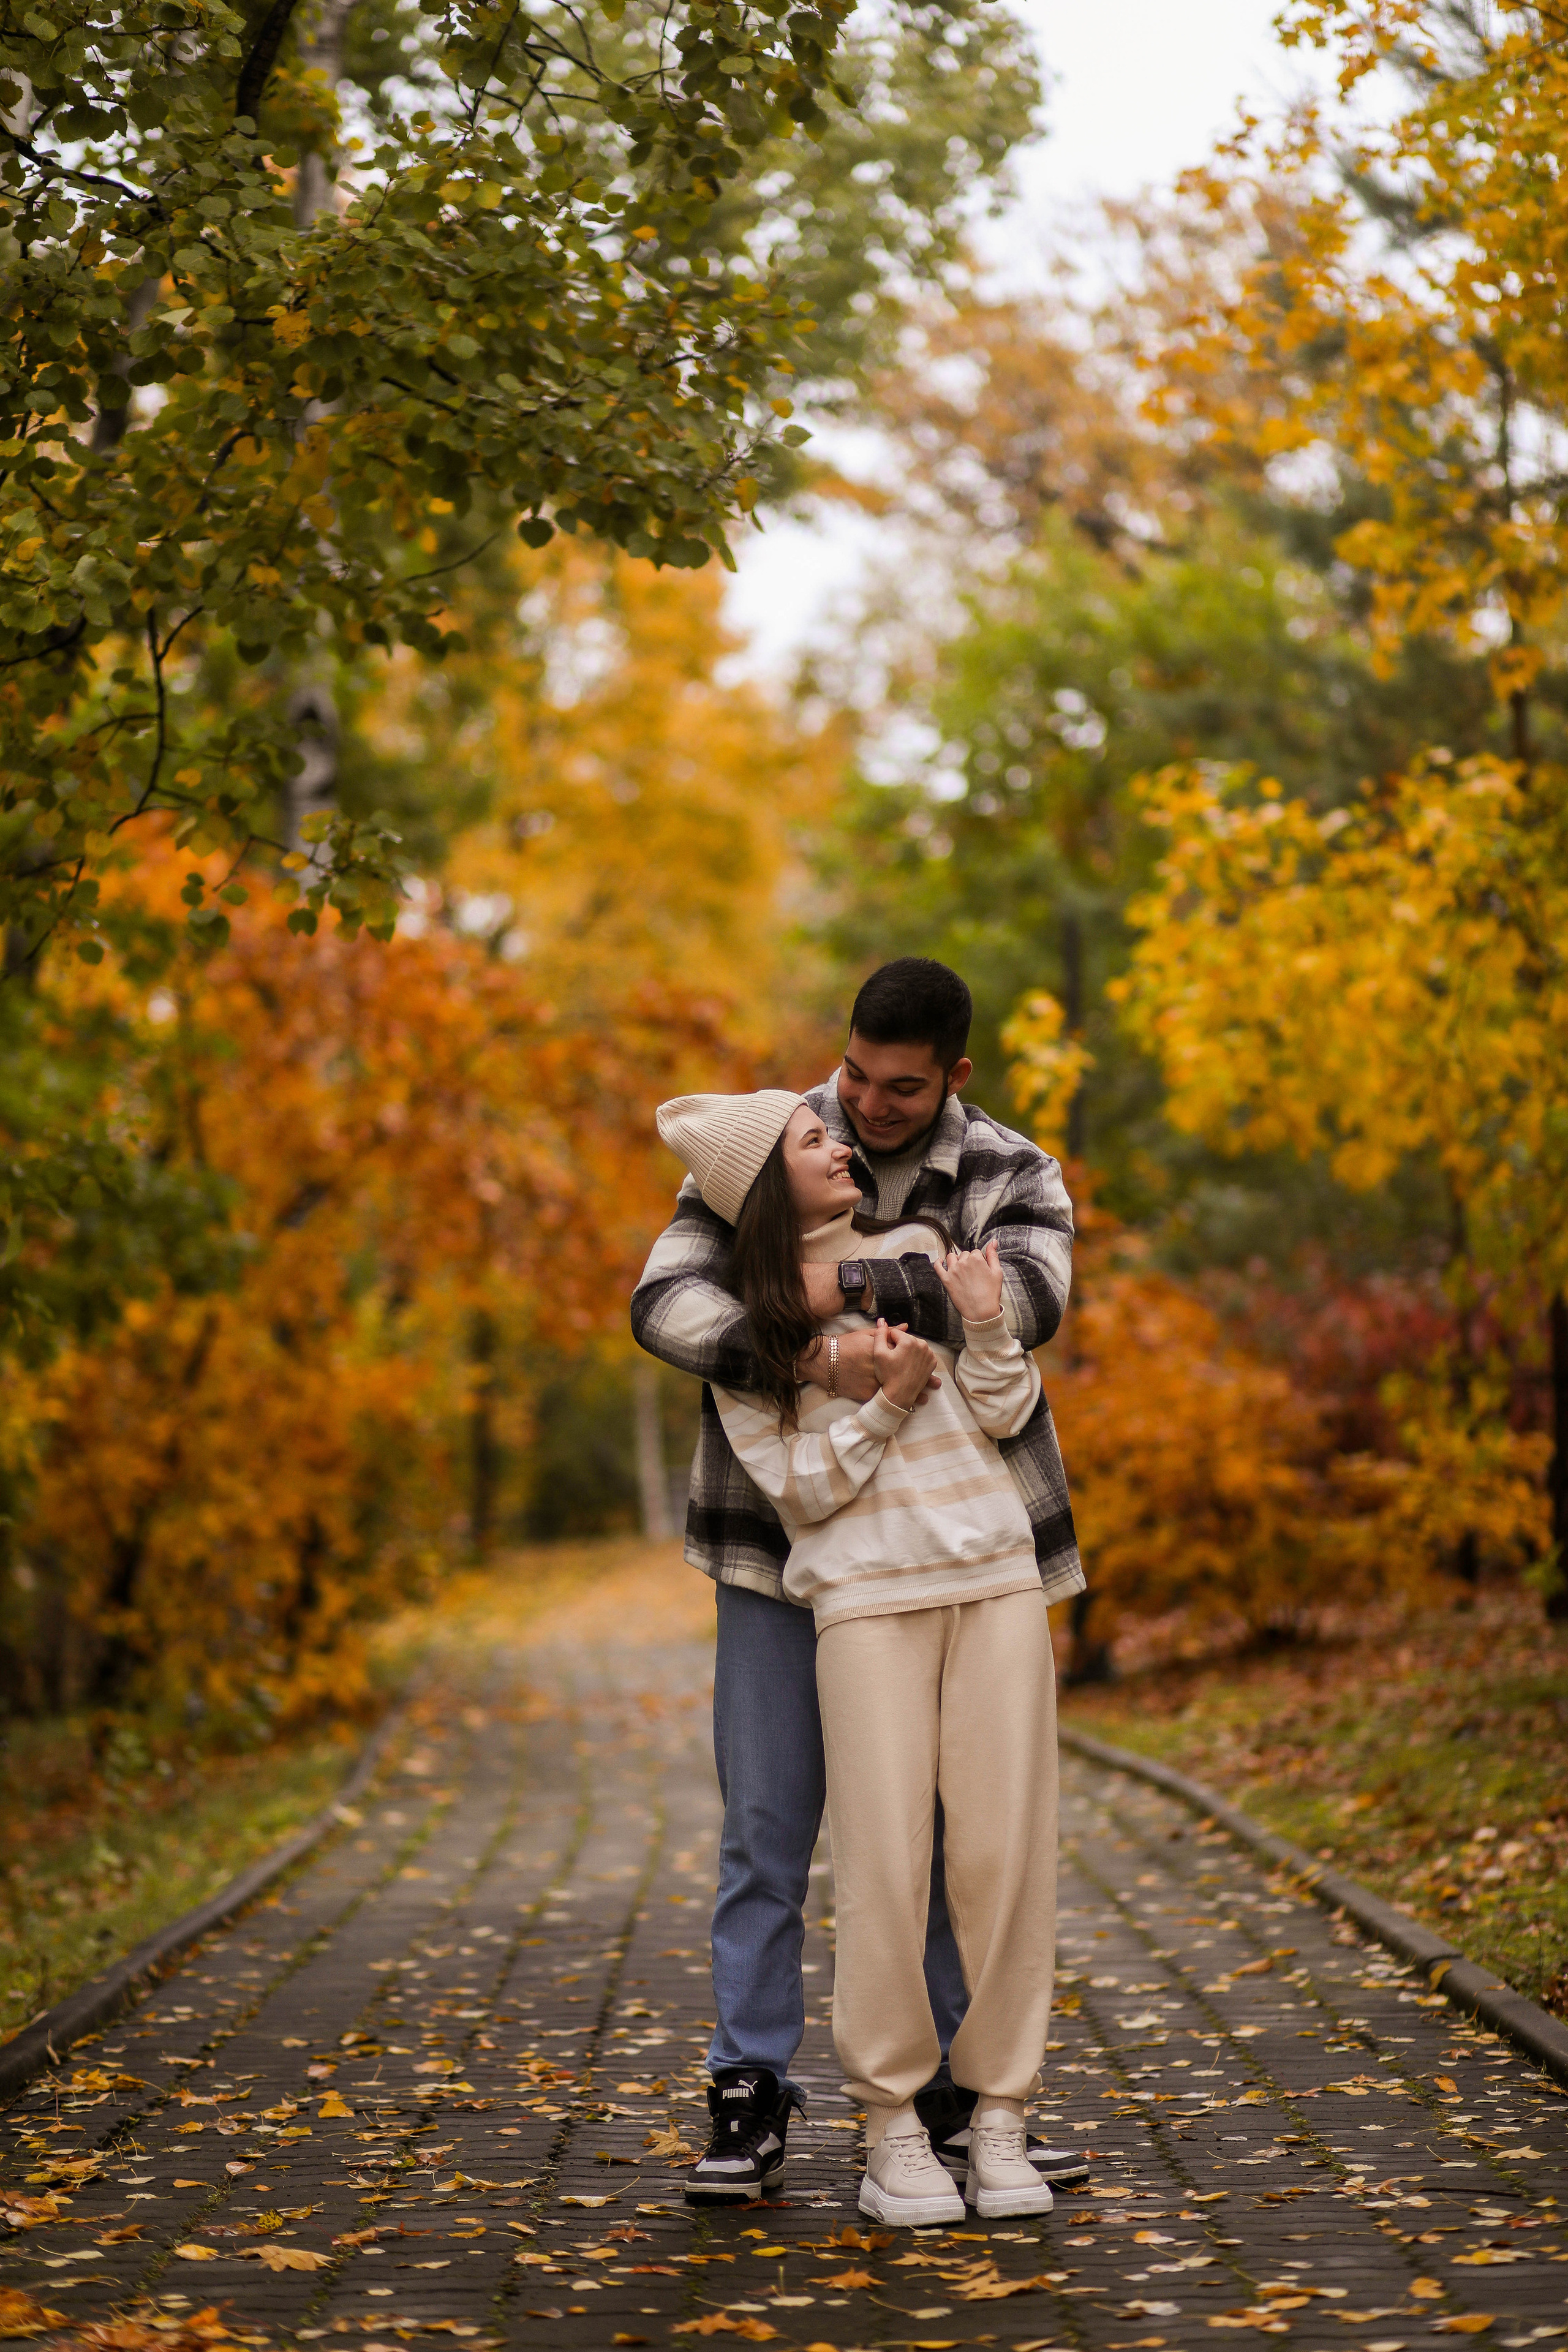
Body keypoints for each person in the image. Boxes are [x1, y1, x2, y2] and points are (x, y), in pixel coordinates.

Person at [630, 958, 1085, 2203]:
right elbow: (664, 1305)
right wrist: (815, 1365)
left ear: (952, 1078)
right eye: (857, 1079)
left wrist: (805, 1297)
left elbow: (1026, 1304)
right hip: (777, 1546)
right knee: (773, 1829)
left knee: (950, 1839)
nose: (868, 1112)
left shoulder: (1007, 1168)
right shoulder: (762, 1144)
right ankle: (752, 2090)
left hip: (960, 1555)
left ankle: (953, 2100)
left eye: (902, 1090)